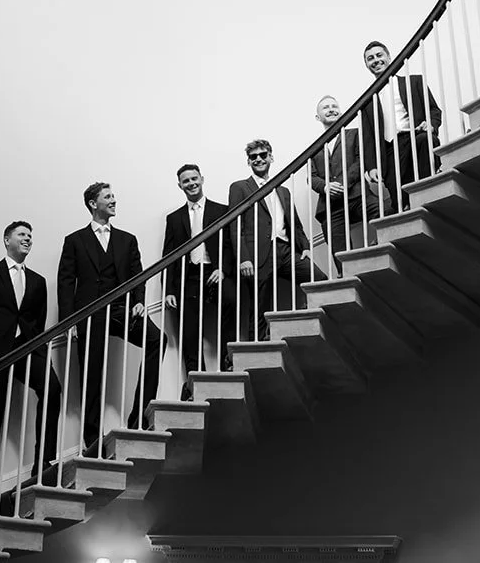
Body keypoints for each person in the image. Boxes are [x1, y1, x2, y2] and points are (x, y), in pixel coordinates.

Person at [0, 221, 67, 507]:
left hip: (28, 351)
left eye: (30, 236)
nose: (27, 239)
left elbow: (39, 321)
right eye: (22, 234)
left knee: (53, 388)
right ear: (7, 240)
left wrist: (39, 350)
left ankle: (43, 465)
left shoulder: (38, 281)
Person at [57, 182, 166, 442]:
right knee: (91, 379)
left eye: (113, 195)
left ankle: (139, 417)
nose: (114, 200)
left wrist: (139, 300)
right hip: (89, 314)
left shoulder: (127, 239)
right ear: (93, 204)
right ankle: (93, 443)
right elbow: (65, 281)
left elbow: (137, 275)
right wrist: (68, 321)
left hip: (122, 311)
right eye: (108, 197)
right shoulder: (74, 240)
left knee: (157, 340)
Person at [227, 139, 324, 340]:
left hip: (286, 250)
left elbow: (295, 223)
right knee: (260, 303)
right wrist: (244, 258)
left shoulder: (283, 190)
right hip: (258, 254)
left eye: (263, 155)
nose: (259, 159)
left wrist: (304, 246)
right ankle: (257, 344)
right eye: (253, 157)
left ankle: (308, 321)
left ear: (271, 157)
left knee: (318, 278)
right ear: (248, 162)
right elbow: (236, 225)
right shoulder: (239, 187)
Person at [161, 164, 236, 398]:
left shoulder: (221, 210)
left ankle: (228, 365)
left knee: (231, 301)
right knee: (189, 329)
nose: (191, 183)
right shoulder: (174, 219)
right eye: (186, 181)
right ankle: (196, 381)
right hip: (189, 277)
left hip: (215, 272)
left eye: (194, 179)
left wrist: (223, 269)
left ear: (202, 179)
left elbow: (229, 245)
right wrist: (169, 289)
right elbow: (168, 256)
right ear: (180, 185)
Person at [310, 95, 391, 268]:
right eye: (326, 107)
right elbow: (312, 176)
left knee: (383, 210)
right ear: (318, 117)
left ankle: (381, 249)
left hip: (357, 194)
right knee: (339, 250)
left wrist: (342, 184)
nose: (331, 109)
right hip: (330, 206)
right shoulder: (313, 146)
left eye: (334, 106)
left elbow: (359, 161)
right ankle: (347, 274)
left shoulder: (354, 134)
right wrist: (325, 187)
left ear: (340, 112)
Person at [363, 40, 445, 208]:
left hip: (415, 136)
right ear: (367, 64)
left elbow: (434, 111)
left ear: (389, 57)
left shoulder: (414, 82)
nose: (376, 60)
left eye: (379, 55)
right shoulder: (366, 101)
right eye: (370, 58)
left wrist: (430, 124)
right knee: (398, 197)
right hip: (390, 150)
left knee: (425, 140)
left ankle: (428, 195)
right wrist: (371, 166)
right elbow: (368, 137)